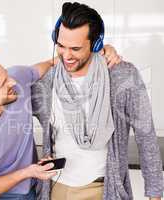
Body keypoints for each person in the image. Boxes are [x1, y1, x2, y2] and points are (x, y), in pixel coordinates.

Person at [0, 42, 121, 199]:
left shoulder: (17, 78)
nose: (13, 81)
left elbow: (54, 61)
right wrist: (27, 172)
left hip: (32, 191)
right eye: (3, 84)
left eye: (6, 74)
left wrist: (100, 51)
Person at [31, 2, 164, 200]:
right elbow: (2, 95)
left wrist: (155, 194)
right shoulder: (47, 81)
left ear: (95, 44)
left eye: (75, 48)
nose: (66, 56)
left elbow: (146, 136)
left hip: (102, 189)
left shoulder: (122, 76)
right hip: (56, 188)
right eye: (60, 46)